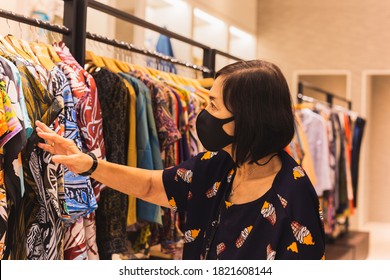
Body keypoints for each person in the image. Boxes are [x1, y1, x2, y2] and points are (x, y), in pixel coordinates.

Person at [36, 60, 325, 260]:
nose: (204, 111)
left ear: (248, 119)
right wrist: (89, 164)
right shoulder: (215, 166)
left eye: (213, 104)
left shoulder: (294, 193)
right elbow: (151, 186)